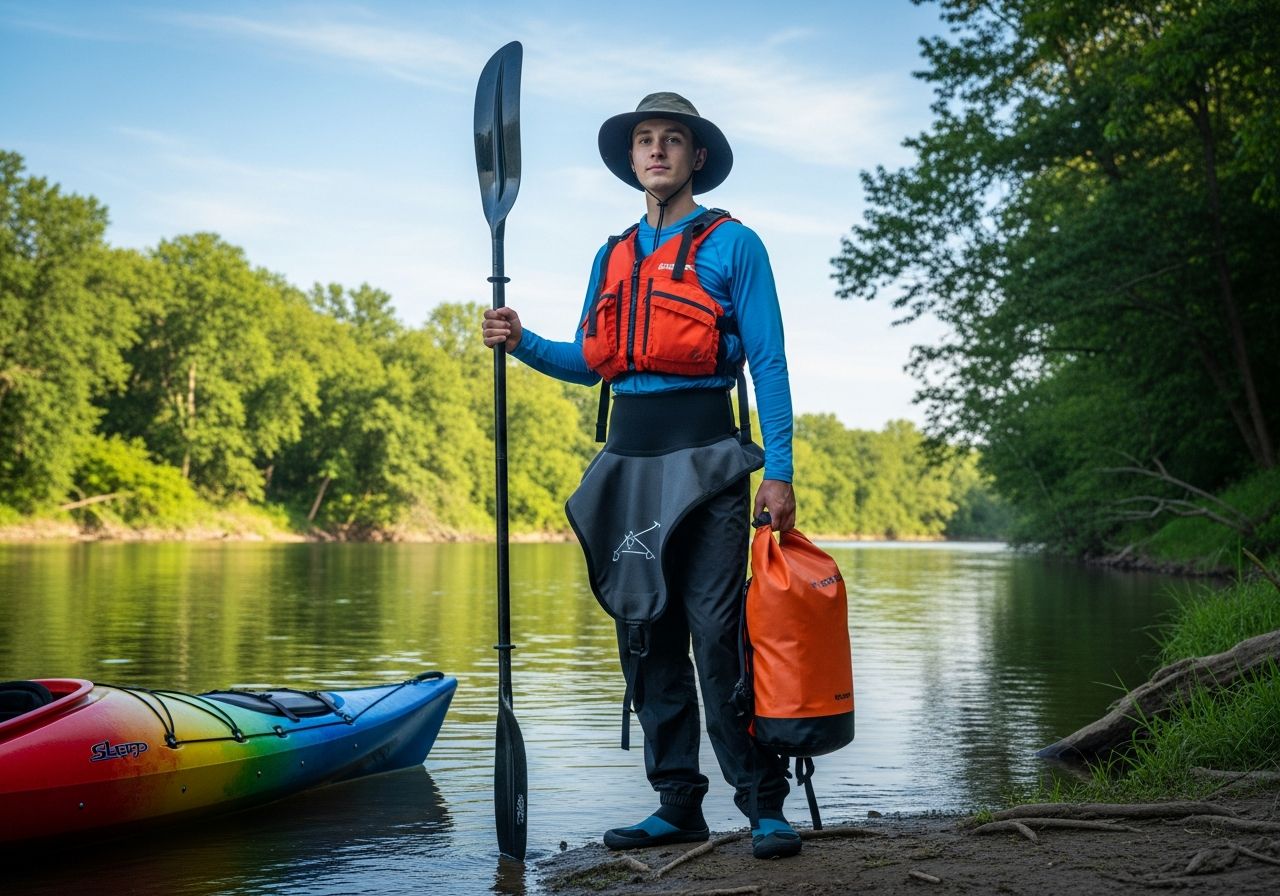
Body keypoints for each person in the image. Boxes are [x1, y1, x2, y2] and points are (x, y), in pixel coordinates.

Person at [482, 92, 801, 860]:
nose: (657, 151)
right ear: (631, 161)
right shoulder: (612, 255)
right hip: (627, 465)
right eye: (645, 141)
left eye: (673, 140)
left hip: (708, 461)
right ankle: (677, 804)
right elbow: (592, 362)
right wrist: (522, 341)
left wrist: (780, 473)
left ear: (696, 159)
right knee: (646, 635)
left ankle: (762, 803)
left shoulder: (736, 245)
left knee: (717, 635)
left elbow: (770, 362)